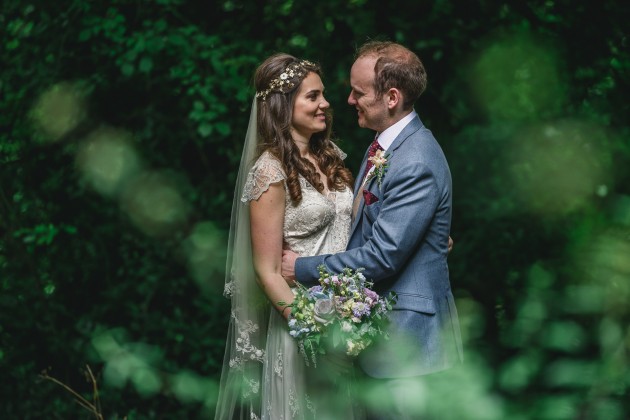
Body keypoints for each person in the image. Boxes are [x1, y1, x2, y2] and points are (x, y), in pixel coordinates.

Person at [281, 40, 464, 419]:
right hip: (383, 342)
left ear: (392, 97)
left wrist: (297, 266)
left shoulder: (415, 160)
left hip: (408, 346)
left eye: (358, 92)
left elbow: (383, 256)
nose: (349, 100)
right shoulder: (383, 149)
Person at [215, 53, 358, 419]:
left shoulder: (332, 158)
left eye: (323, 94)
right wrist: (316, 335)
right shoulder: (268, 172)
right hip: (304, 330)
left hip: (351, 325)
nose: (325, 103)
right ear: (282, 105)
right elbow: (267, 271)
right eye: (313, 96)